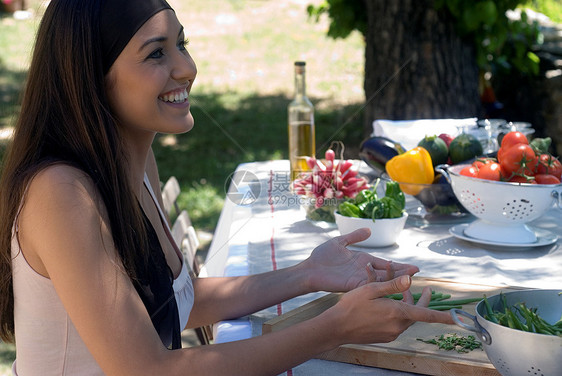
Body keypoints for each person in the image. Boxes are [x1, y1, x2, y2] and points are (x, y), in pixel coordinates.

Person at [0, 0, 454, 374]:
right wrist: (335, 326)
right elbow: (150, 371)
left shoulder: (135, 163)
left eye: (181, 44)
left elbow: (179, 302)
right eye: (156, 53)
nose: (187, 68)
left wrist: (307, 274)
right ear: (90, 77)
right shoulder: (60, 193)